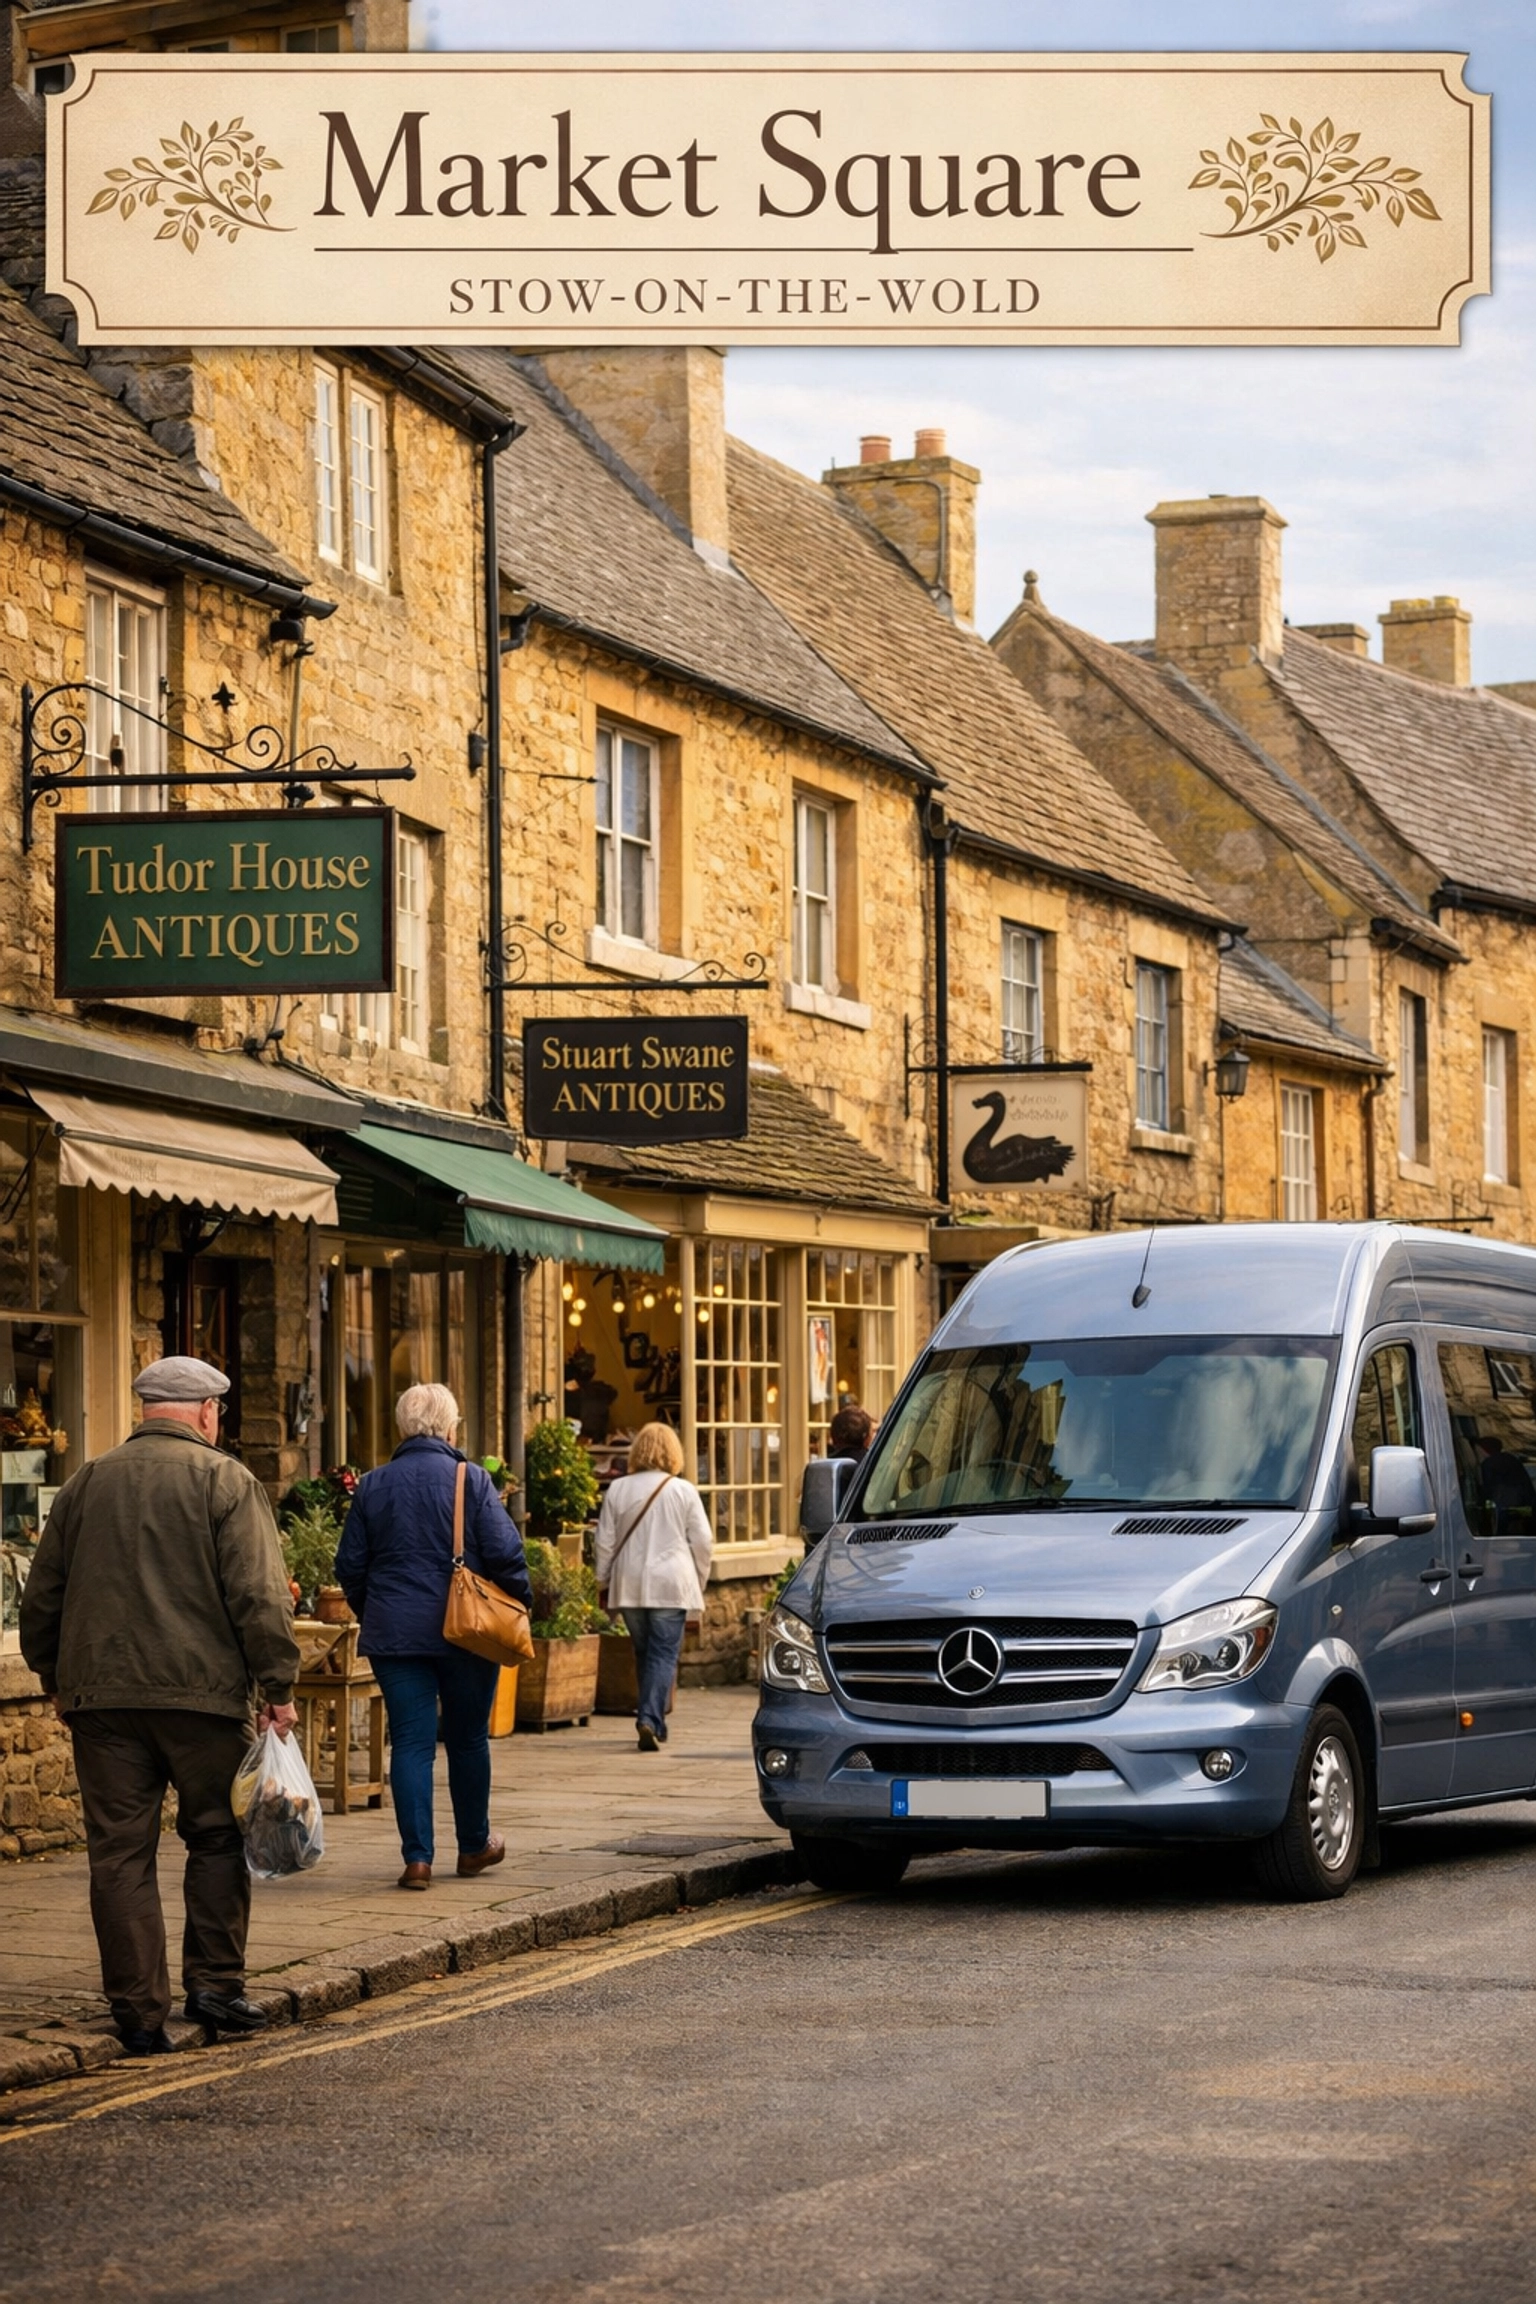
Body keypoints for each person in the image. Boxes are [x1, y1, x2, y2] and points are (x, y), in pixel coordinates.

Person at [19, 1355, 300, 2056]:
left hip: (102, 1701)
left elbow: (41, 1596)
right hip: (203, 1702)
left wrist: (55, 1678)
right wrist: (280, 1688)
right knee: (215, 1837)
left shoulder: (86, 1482)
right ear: (208, 1412)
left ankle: (138, 2014)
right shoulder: (226, 1480)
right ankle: (214, 1987)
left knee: (118, 1856)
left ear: (145, 1410)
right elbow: (260, 1597)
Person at [336, 1382, 530, 1890]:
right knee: (467, 1739)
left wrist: (376, 1610)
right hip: (468, 1633)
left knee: (411, 1744)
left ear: (404, 1427)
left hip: (395, 1636)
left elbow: (350, 1566)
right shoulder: (473, 1479)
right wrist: (517, 1605)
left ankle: (417, 1860)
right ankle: (473, 1848)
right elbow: (507, 1555)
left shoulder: (373, 1485)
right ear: (449, 1428)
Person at [593, 1421, 713, 1753]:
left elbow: (604, 1542)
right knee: (663, 1654)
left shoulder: (618, 1489)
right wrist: (698, 1580)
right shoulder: (683, 1490)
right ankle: (649, 1718)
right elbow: (703, 1541)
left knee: (645, 1652)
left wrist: (602, 1580)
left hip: (629, 1584)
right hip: (671, 1583)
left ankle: (654, 1720)